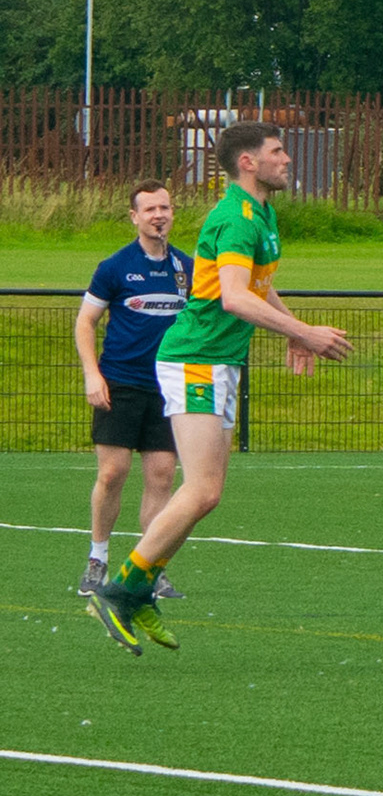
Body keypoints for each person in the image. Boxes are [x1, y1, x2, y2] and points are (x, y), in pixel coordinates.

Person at [85, 123, 353, 656]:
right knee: (202, 489)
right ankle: (120, 591)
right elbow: (233, 297)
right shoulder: (234, 218)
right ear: (248, 162)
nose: (288, 159)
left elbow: (255, 284)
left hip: (217, 362)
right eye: (278, 151)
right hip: (196, 360)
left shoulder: (260, 214)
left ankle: (134, 590)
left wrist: (292, 327)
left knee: (206, 494)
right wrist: (304, 332)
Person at [73, 180, 192, 598]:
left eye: (165, 208)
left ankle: (148, 569)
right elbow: (85, 322)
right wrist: (93, 374)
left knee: (162, 476)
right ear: (134, 217)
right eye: (150, 209)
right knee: (112, 473)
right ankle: (98, 559)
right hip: (120, 383)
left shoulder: (187, 268)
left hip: (168, 387)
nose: (159, 215)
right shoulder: (115, 267)